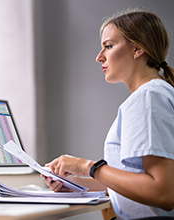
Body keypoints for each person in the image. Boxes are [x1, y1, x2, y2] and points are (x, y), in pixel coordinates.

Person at [41, 7, 174, 219]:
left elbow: (163, 192)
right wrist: (76, 184)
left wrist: (87, 166)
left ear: (137, 48)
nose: (99, 57)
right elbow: (137, 181)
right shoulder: (156, 93)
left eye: (109, 46)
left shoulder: (148, 98)